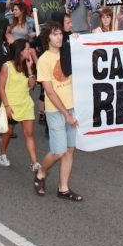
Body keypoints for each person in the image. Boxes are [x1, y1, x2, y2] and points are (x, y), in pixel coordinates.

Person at [33, 22, 82, 201]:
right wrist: (66, 114)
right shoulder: (44, 60)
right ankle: (41, 172)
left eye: (61, 34)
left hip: (72, 107)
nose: (59, 37)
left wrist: (79, 40)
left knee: (70, 150)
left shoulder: (67, 52)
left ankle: (63, 188)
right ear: (48, 38)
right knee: (58, 152)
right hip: (56, 111)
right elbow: (50, 91)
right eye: (55, 34)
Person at [0, 38, 39, 170]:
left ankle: (34, 163)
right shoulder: (7, 66)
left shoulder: (28, 65)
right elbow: (1, 88)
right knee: (8, 133)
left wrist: (30, 69)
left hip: (25, 104)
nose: (29, 50)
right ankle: (2, 153)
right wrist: (7, 107)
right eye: (27, 48)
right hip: (11, 106)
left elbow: (32, 85)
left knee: (29, 133)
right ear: (20, 51)